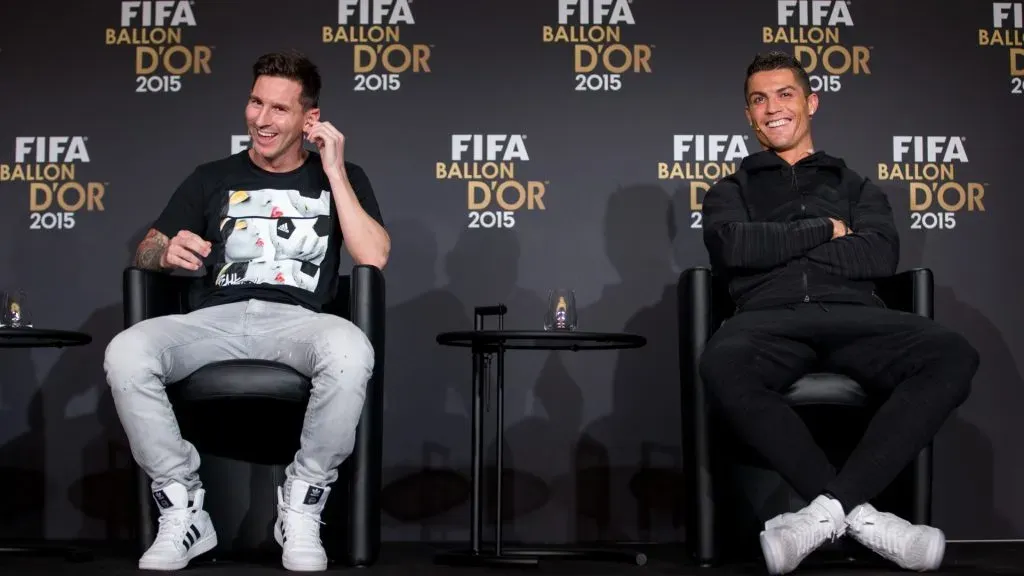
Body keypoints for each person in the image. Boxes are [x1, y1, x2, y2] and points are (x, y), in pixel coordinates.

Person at [104, 50, 389, 572]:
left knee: (350, 351)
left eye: (280, 109)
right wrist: (162, 252)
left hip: (300, 323)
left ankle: (302, 503)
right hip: (216, 320)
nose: (262, 119)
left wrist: (334, 170)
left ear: (310, 118)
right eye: (256, 103)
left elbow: (373, 255)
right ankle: (183, 506)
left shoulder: (341, 177)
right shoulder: (211, 177)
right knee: (126, 352)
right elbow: (146, 249)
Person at [699, 51, 979, 575]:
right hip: (769, 316)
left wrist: (778, 245)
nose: (772, 108)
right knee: (721, 361)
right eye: (759, 99)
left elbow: (877, 255)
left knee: (951, 352)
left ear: (811, 101)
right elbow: (735, 249)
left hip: (855, 314)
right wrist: (825, 230)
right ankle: (868, 520)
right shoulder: (729, 191)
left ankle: (826, 514)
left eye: (785, 94)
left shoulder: (856, 186)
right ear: (748, 115)